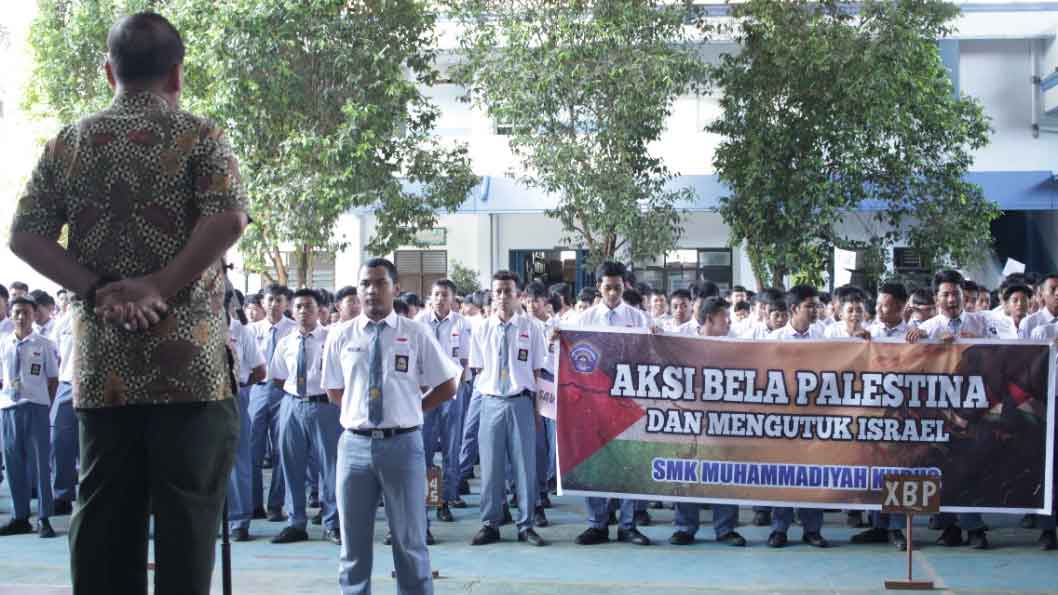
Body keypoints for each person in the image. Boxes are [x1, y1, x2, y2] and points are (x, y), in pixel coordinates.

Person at [9, 12, 248, 594]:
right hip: (189, 373)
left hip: (102, 369)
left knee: (104, 521)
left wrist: (97, 290)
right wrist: (159, 287)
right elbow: (228, 218)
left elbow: (25, 235)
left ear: (108, 71)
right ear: (177, 74)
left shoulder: (69, 142)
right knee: (187, 521)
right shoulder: (200, 135)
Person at [322, 258, 460, 595]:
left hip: (403, 446)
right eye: (365, 283)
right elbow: (333, 389)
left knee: (410, 543)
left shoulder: (415, 333)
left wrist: (413, 409)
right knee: (353, 547)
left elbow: (448, 384)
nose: (371, 290)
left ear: (395, 289)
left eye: (380, 283)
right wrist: (364, 416)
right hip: (354, 448)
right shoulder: (341, 335)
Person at [565, 261, 652, 546]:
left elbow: (650, 355)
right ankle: (597, 524)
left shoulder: (639, 319)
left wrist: (658, 338)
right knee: (597, 462)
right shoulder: (585, 319)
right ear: (599, 287)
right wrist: (559, 340)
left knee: (629, 461)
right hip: (595, 401)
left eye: (617, 287)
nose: (613, 293)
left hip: (628, 400)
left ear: (624, 286)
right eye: (607, 287)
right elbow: (572, 354)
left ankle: (628, 524)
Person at [907, 269, 993, 549]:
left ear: (963, 296)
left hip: (974, 409)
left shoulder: (981, 324)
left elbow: (1004, 352)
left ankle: (975, 527)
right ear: (936, 298)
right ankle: (949, 527)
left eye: (955, 293)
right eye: (945, 294)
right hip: (939, 413)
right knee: (940, 467)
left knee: (970, 468)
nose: (951, 299)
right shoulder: (926, 328)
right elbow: (911, 366)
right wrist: (924, 343)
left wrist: (972, 343)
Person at [468, 271, 548, 547]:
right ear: (492, 294)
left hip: (521, 402)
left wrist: (538, 411)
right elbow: (478, 368)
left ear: (519, 296)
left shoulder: (532, 328)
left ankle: (526, 524)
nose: (503, 297)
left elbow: (537, 371)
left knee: (525, 465)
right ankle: (490, 523)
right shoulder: (481, 328)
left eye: (508, 291)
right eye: (498, 291)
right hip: (491, 401)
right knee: (490, 466)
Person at [669, 296, 747, 548]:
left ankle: (725, 529)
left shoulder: (736, 344)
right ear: (711, 318)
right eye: (725, 316)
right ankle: (684, 527)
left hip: (724, 419)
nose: (730, 321)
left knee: (724, 472)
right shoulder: (680, 339)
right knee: (686, 471)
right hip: (687, 418)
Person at [270, 288, 341, 545]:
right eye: (298, 306)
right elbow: (278, 376)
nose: (303, 311)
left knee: (330, 467)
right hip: (292, 405)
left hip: (325, 406)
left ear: (319, 310)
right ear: (292, 309)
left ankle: (332, 523)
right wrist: (296, 397)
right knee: (291, 465)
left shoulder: (331, 339)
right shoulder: (286, 342)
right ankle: (295, 522)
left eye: (308, 306)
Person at [765, 285, 830, 548]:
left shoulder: (826, 337)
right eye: (810, 306)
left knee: (814, 473)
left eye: (817, 306)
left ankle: (812, 529)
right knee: (783, 473)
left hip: (816, 418)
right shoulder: (773, 340)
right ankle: (779, 528)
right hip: (782, 418)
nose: (816, 311)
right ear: (794, 309)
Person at [0, 296, 60, 539]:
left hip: (35, 407)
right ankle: (20, 517)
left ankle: (44, 517)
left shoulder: (44, 343)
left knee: (39, 465)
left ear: (34, 314)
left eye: (26, 312)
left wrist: (44, 404)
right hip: (9, 407)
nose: (21, 317)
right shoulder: (4, 343)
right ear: (10, 315)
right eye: (17, 312)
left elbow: (53, 380)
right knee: (13, 463)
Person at [416, 279, 471, 524]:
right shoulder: (418, 323)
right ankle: (428, 501)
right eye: (436, 294)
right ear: (431, 297)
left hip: (453, 393)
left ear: (453, 298)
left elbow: (467, 360)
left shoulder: (463, 324)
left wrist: (458, 386)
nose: (439, 299)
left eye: (444, 294)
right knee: (425, 449)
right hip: (426, 393)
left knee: (452, 448)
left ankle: (446, 501)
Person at [250, 283, 296, 521]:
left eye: (279, 300)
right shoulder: (252, 330)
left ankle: (275, 504)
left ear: (286, 304)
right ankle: (253, 503)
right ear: (262, 303)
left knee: (281, 450)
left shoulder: (294, 330)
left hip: (284, 391)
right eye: (269, 300)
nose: (274, 304)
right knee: (252, 448)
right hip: (256, 390)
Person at [227, 290, 266, 542]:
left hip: (234, 397)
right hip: (200, 401)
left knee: (239, 460)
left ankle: (239, 520)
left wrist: (239, 385)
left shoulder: (242, 331)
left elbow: (260, 371)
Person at [49, 300, 77, 516]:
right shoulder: (62, 322)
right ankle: (62, 495)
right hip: (67, 383)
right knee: (60, 441)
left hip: (99, 383)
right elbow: (56, 353)